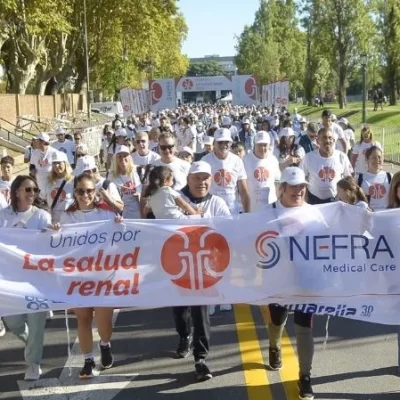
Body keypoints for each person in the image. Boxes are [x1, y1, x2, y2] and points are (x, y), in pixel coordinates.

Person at [171, 161, 231, 381]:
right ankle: (184, 335)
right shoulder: (175, 199)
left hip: (204, 267)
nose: (201, 182)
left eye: (205, 178)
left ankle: (201, 358)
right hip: (178, 265)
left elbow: (230, 229)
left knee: (201, 311)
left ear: (211, 180)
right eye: (196, 177)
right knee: (180, 311)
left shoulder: (217, 203)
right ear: (188, 179)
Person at [59, 174, 121, 378]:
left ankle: (105, 344)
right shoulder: (67, 216)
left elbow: (120, 238)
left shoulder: (106, 213)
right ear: (74, 192)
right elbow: (60, 244)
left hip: (103, 275)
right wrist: (55, 231)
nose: (84, 195)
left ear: (95, 192)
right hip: (79, 276)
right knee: (83, 319)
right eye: (80, 191)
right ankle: (87, 360)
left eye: (89, 191)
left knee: (104, 324)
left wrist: (120, 224)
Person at [266, 167, 315, 400]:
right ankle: (274, 346)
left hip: (306, 280)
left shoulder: (314, 213)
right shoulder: (266, 214)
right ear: (282, 189)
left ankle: (305, 376)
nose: (298, 191)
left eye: (302, 186)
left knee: (304, 326)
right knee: (278, 319)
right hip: (277, 279)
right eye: (293, 187)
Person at [1, 175, 52, 380]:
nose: (32, 193)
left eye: (35, 190)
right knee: (13, 322)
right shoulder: (3, 216)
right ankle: (33, 343)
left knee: (36, 323)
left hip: (36, 279)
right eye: (28, 189)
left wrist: (54, 233)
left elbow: (50, 243)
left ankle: (33, 363)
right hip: (10, 279)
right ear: (16, 192)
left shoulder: (42, 216)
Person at [202, 128, 250, 215]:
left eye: (226, 142)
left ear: (231, 143)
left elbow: (243, 190)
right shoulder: (205, 160)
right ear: (214, 143)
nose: (224, 145)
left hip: (232, 211)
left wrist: (247, 214)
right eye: (220, 142)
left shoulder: (237, 161)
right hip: (211, 211)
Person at [300, 127, 353, 204]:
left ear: (334, 140)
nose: (327, 141)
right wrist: (305, 198)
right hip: (314, 200)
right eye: (324, 138)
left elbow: (348, 179)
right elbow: (301, 179)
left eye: (330, 138)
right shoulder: (308, 157)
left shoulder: (342, 157)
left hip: (336, 200)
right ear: (317, 141)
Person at [243, 131, 281, 212]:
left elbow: (277, 183)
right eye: (259, 145)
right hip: (252, 207)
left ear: (269, 145)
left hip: (270, 206)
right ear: (255, 144)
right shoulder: (246, 159)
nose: (262, 148)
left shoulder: (273, 160)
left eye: (265, 145)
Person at [108, 145, 141, 219]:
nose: (122, 159)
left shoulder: (139, 171)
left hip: (139, 214)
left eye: (125, 156)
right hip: (121, 216)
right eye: (119, 156)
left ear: (130, 157)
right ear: (115, 159)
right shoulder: (111, 176)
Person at [357, 146, 392, 211]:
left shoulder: (389, 176)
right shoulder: (359, 178)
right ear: (367, 160)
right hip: (368, 215)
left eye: (379, 157)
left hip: (386, 215)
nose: (377, 160)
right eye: (374, 157)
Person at [44, 151, 74, 223]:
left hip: (69, 221)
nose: (56, 166)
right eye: (54, 163)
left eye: (59, 163)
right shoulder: (48, 180)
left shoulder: (73, 180)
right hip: (53, 222)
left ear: (65, 163)